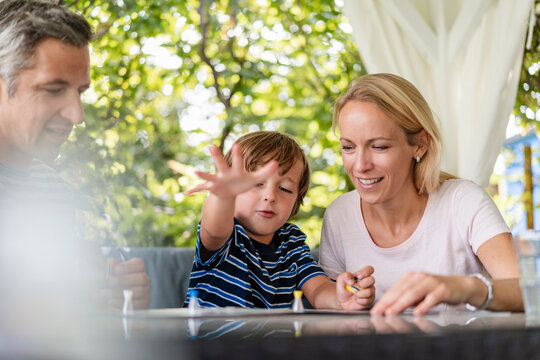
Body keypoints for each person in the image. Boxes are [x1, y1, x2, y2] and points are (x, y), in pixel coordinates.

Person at [319, 73, 523, 316]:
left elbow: (527, 292)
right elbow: (333, 308)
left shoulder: (463, 201)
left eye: (379, 147)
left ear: (420, 144)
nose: (360, 165)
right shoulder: (339, 215)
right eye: (348, 147)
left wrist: (463, 287)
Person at [0, 0, 149, 310]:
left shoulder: (52, 188)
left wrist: (109, 297)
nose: (77, 115)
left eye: (80, 92)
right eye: (53, 90)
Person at [185, 131, 375, 309]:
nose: (270, 196)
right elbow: (213, 230)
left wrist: (340, 297)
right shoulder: (227, 234)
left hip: (270, 344)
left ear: (296, 203)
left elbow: (317, 288)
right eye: (256, 184)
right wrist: (222, 197)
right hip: (212, 344)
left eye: (284, 189)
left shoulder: (291, 243)